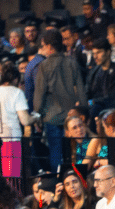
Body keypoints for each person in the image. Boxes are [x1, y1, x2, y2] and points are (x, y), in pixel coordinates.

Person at [34, 29, 87, 172]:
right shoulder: (72, 62)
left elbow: (39, 94)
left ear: (50, 46)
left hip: (52, 117)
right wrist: (83, 111)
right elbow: (81, 91)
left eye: (44, 45)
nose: (43, 49)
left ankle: (58, 181)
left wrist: (37, 115)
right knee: (75, 150)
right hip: (71, 115)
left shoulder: (44, 66)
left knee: (56, 152)